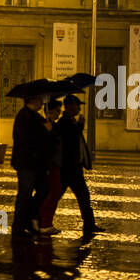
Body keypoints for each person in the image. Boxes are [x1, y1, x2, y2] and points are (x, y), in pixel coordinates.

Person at [58, 93, 102, 235]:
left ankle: (90, 225)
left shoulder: (70, 121)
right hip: (69, 168)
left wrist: (78, 126)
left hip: (73, 168)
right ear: (70, 106)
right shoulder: (65, 122)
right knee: (58, 196)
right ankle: (37, 219)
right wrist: (79, 127)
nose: (79, 109)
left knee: (83, 196)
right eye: (78, 106)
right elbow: (69, 143)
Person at [10, 94, 49, 236]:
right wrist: (44, 130)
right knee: (24, 194)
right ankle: (18, 226)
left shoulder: (35, 116)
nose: (42, 102)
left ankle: (27, 219)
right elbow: (28, 138)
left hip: (35, 163)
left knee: (43, 190)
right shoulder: (24, 116)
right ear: (32, 100)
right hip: (27, 163)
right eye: (39, 99)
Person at [35, 99, 65, 235]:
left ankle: (43, 220)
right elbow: (46, 145)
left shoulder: (53, 124)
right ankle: (43, 221)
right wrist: (49, 132)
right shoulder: (44, 125)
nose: (60, 113)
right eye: (58, 110)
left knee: (53, 192)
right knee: (53, 192)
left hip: (56, 163)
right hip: (50, 164)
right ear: (51, 111)